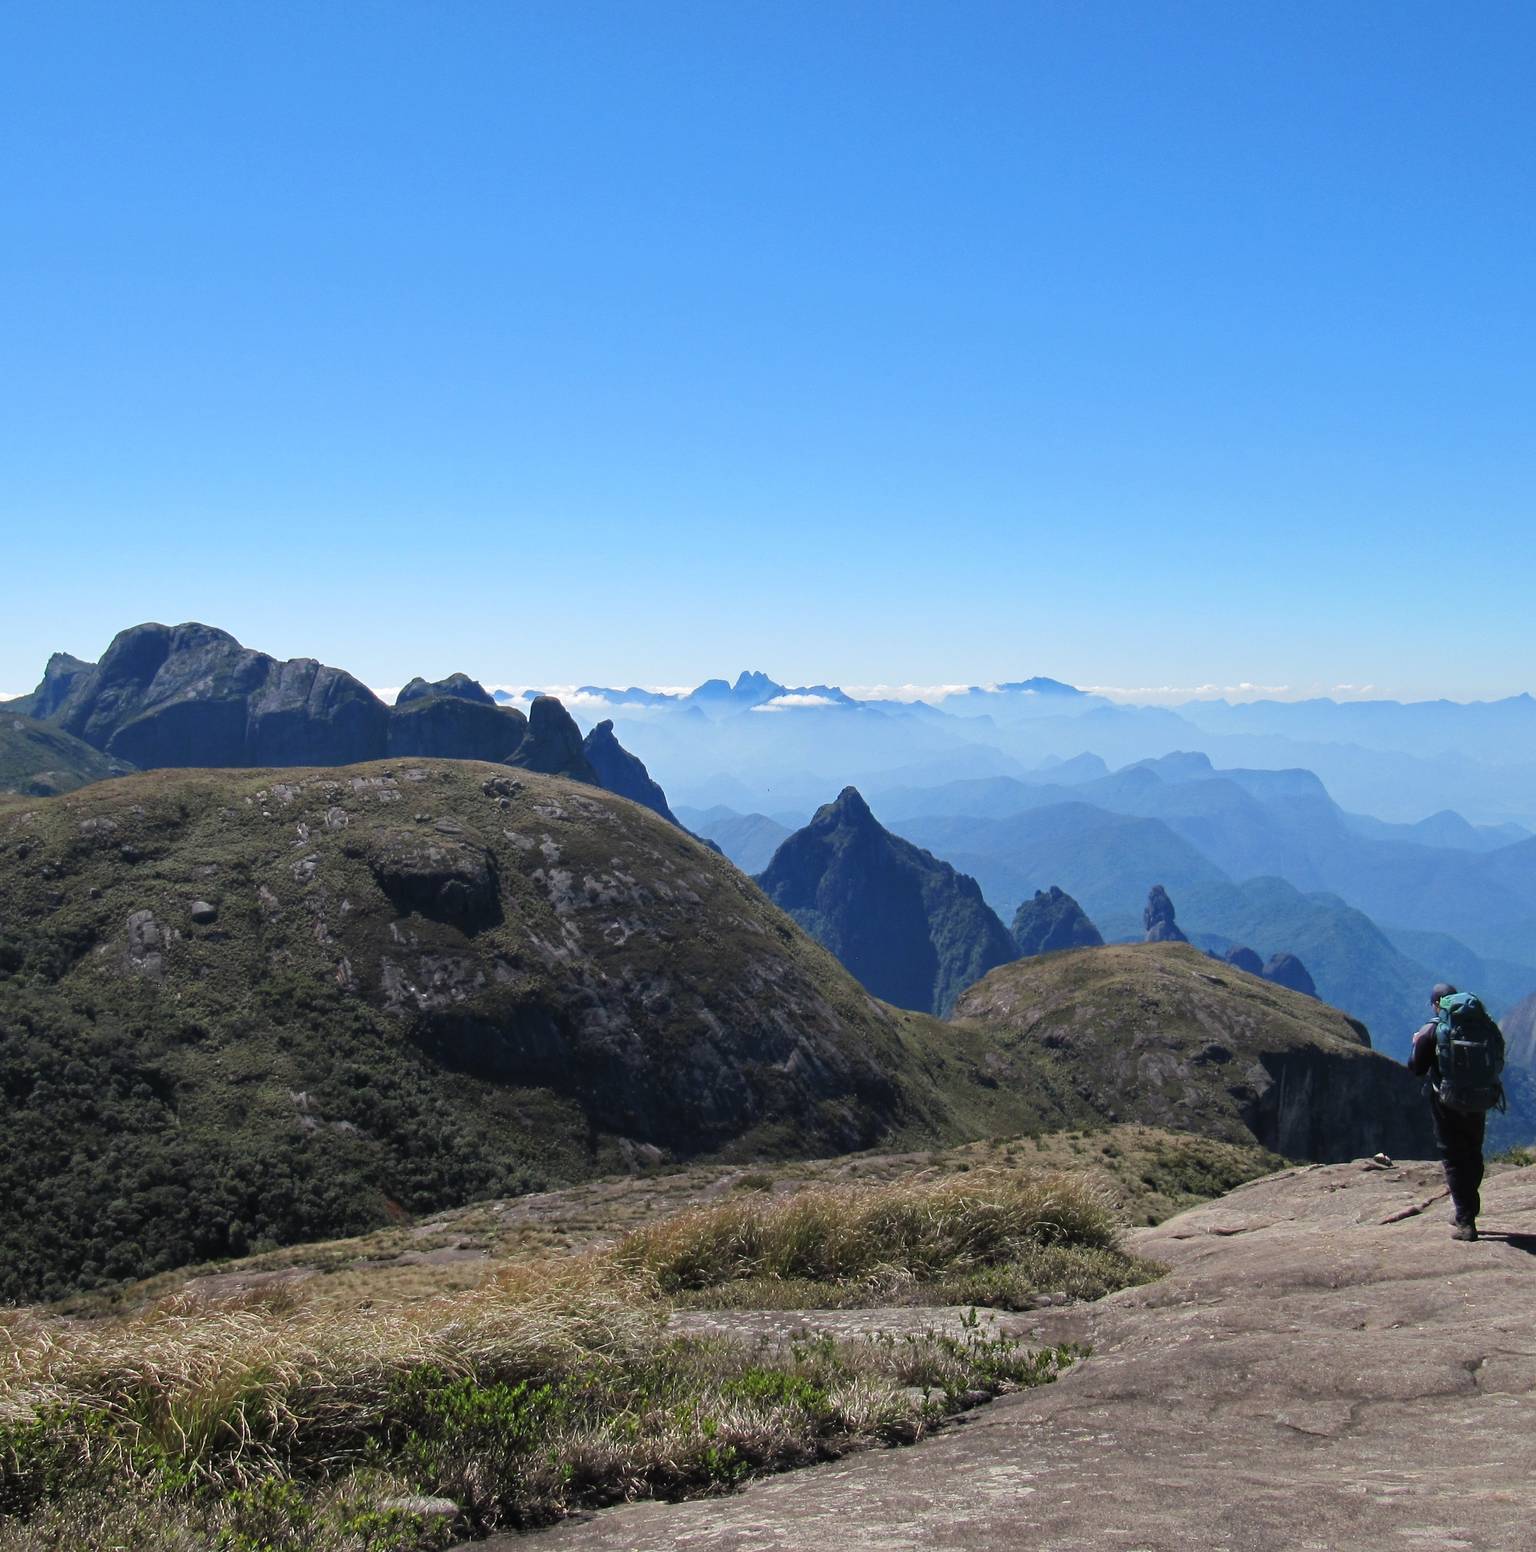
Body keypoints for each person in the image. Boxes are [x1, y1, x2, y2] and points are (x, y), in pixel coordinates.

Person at [1408, 982, 1489, 1241]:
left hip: (1446, 1103)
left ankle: (1465, 1221)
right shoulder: (1479, 1025)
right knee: (1473, 1152)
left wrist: (1416, 1044)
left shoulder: (1432, 1030)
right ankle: (1469, 1207)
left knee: (1454, 1158)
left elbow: (1417, 1068)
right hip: (1479, 1100)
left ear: (1435, 1004)